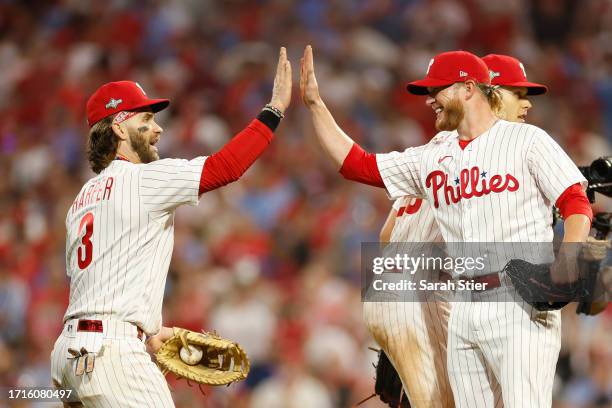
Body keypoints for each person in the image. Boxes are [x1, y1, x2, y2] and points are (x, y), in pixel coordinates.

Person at [300, 46, 592, 407]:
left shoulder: (528, 141)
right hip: (463, 307)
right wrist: (315, 105)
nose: (429, 100)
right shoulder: (434, 155)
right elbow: (357, 165)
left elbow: (575, 202)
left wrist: (569, 259)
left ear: (468, 89)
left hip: (519, 301)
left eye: (437, 89)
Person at [50, 48, 292, 407]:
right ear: (119, 126)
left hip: (67, 357)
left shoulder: (81, 199)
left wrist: (147, 331)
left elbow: (100, 285)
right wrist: (273, 111)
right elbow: (226, 168)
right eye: (145, 119)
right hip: (112, 353)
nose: (158, 128)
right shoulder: (142, 179)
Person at [365, 53, 550, 408]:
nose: (526, 105)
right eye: (516, 92)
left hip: (388, 288)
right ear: (489, 93)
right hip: (428, 299)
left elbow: (387, 236)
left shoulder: (436, 148)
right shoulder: (493, 152)